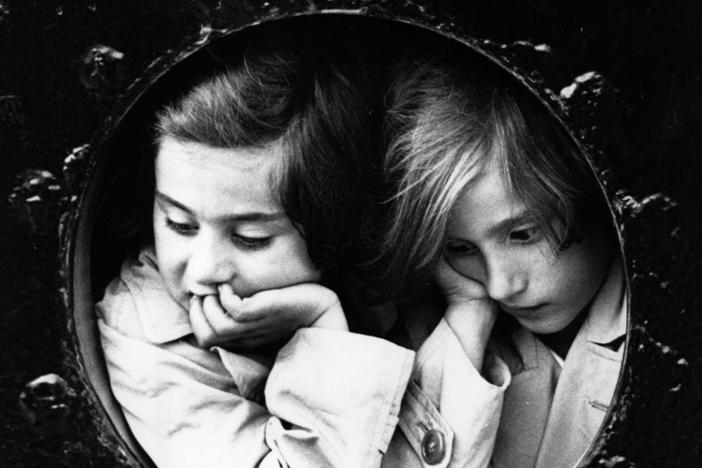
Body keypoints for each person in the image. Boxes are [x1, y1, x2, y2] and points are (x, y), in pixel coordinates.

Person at [95, 32, 427, 468]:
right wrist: (322, 324)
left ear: (331, 224)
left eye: (250, 237)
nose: (203, 270)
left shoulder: (389, 281)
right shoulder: (145, 335)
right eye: (179, 224)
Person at [375, 54, 627, 468]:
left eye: (523, 234)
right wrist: (469, 314)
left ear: (586, 190)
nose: (499, 286)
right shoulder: (445, 336)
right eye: (461, 249)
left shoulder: (664, 322)